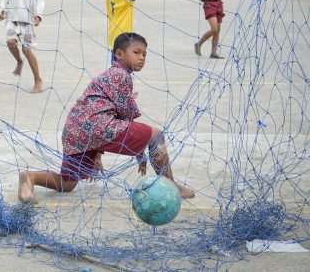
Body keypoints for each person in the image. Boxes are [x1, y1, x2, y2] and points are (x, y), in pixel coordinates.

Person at [17, 32, 195, 202]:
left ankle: (30, 177)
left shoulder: (109, 74)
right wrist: (140, 153)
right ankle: (172, 186)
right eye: (136, 52)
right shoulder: (122, 75)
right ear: (119, 54)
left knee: (67, 183)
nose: (142, 58)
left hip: (75, 130)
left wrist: (97, 155)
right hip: (96, 127)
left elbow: (103, 112)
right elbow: (124, 119)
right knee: (156, 135)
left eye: (145, 54)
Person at [0, 0, 45, 94]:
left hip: (28, 19)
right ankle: (19, 61)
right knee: (10, 42)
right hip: (12, 18)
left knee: (26, 48)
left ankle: (38, 79)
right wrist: (2, 10)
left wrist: (38, 15)